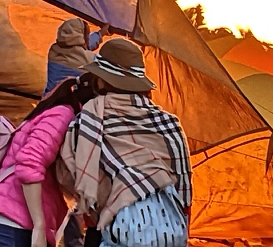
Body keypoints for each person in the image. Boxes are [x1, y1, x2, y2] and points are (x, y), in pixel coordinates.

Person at [59, 37, 190, 247]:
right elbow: (184, 188)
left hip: (120, 227)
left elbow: (73, 179)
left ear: (100, 80)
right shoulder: (169, 123)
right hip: (171, 230)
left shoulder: (90, 120)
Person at [0, 80, 82, 247]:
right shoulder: (62, 115)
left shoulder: (51, 113)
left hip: (1, 221)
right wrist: (39, 226)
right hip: (12, 226)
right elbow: (29, 162)